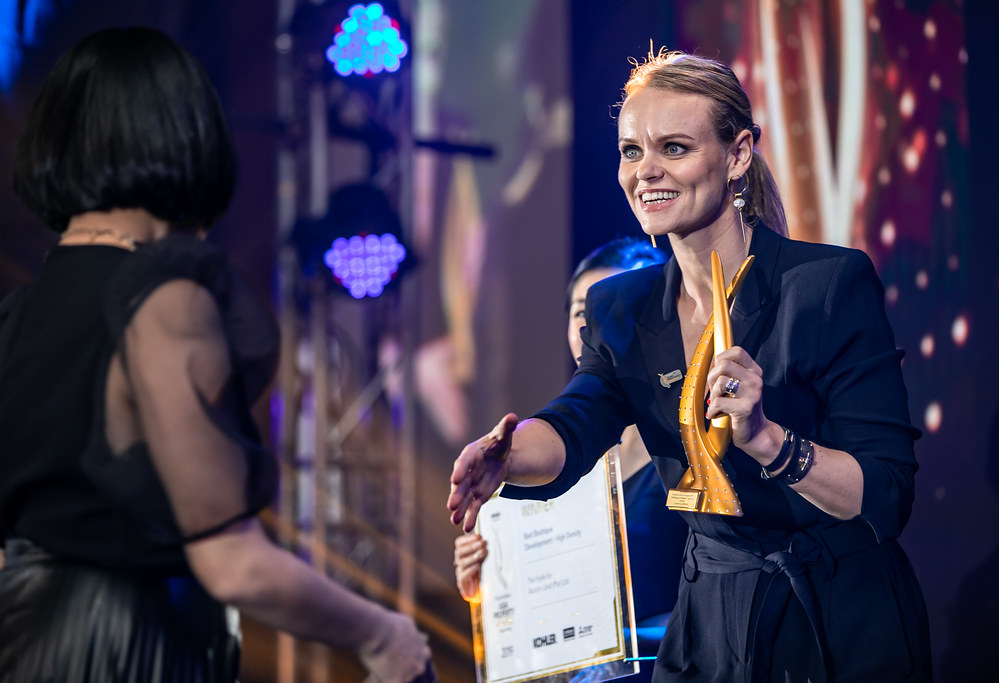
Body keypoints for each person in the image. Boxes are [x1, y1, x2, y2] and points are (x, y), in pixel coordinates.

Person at [448, 48, 931, 682]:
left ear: (737, 155)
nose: (645, 171)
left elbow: (886, 495)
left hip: (839, 619)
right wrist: (506, 457)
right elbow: (574, 426)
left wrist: (768, 442)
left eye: (673, 148)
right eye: (630, 151)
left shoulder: (827, 284)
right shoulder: (618, 306)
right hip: (712, 625)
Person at [0, 27, 432, 683]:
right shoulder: (165, 299)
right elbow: (230, 560)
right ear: (185, 136)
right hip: (126, 646)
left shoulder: (14, 319)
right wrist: (382, 633)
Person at [453, 238, 688, 682]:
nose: (597, 328)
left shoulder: (697, 450)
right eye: (584, 312)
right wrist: (492, 578)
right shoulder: (544, 457)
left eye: (617, 309)